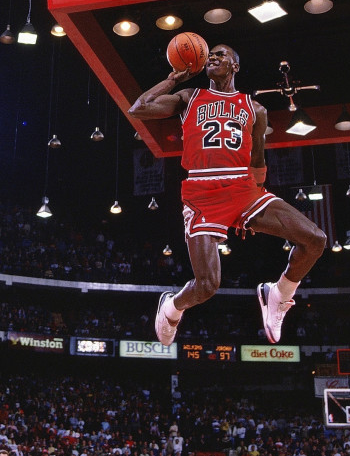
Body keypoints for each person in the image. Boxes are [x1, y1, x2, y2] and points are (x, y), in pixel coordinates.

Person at [130, 44, 327, 344]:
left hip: (243, 187)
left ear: (235, 66)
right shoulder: (189, 97)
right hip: (202, 190)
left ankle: (278, 295)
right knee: (207, 286)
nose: (213, 58)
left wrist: (256, 203)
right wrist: (173, 79)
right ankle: (172, 306)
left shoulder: (255, 109)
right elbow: (138, 108)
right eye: (210, 55)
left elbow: (258, 158)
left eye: (221, 55)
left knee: (316, 239)